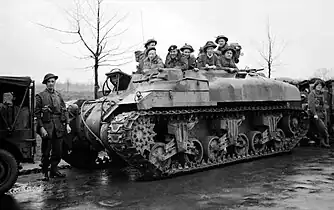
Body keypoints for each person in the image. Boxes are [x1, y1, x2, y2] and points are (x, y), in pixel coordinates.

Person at [35, 73, 71, 181]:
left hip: (58, 127)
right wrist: (41, 128)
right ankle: (44, 172)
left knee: (58, 151)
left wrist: (68, 124)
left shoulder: (58, 95)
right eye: (49, 82)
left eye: (52, 81)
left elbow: (64, 110)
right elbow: (36, 114)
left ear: (54, 82)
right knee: (46, 152)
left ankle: (54, 170)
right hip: (47, 126)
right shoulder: (40, 96)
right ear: (46, 83)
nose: (51, 83)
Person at [308, 80, 330, 148]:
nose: (319, 87)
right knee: (322, 128)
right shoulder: (312, 94)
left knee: (323, 128)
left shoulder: (322, 94)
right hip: (315, 114)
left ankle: (323, 143)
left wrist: (325, 109)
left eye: (320, 86)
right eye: (318, 85)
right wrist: (314, 114)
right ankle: (326, 140)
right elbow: (311, 105)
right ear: (315, 86)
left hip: (322, 113)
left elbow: (323, 104)